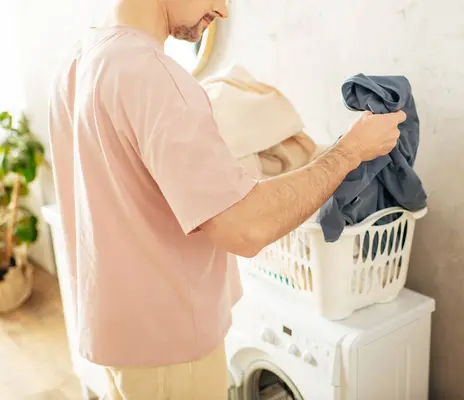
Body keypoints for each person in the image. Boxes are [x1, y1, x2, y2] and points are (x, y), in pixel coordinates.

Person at [47, 0, 407, 398]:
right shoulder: (150, 75)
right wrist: (349, 152)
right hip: (171, 352)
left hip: (119, 342)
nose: (223, 10)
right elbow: (245, 227)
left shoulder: (78, 63)